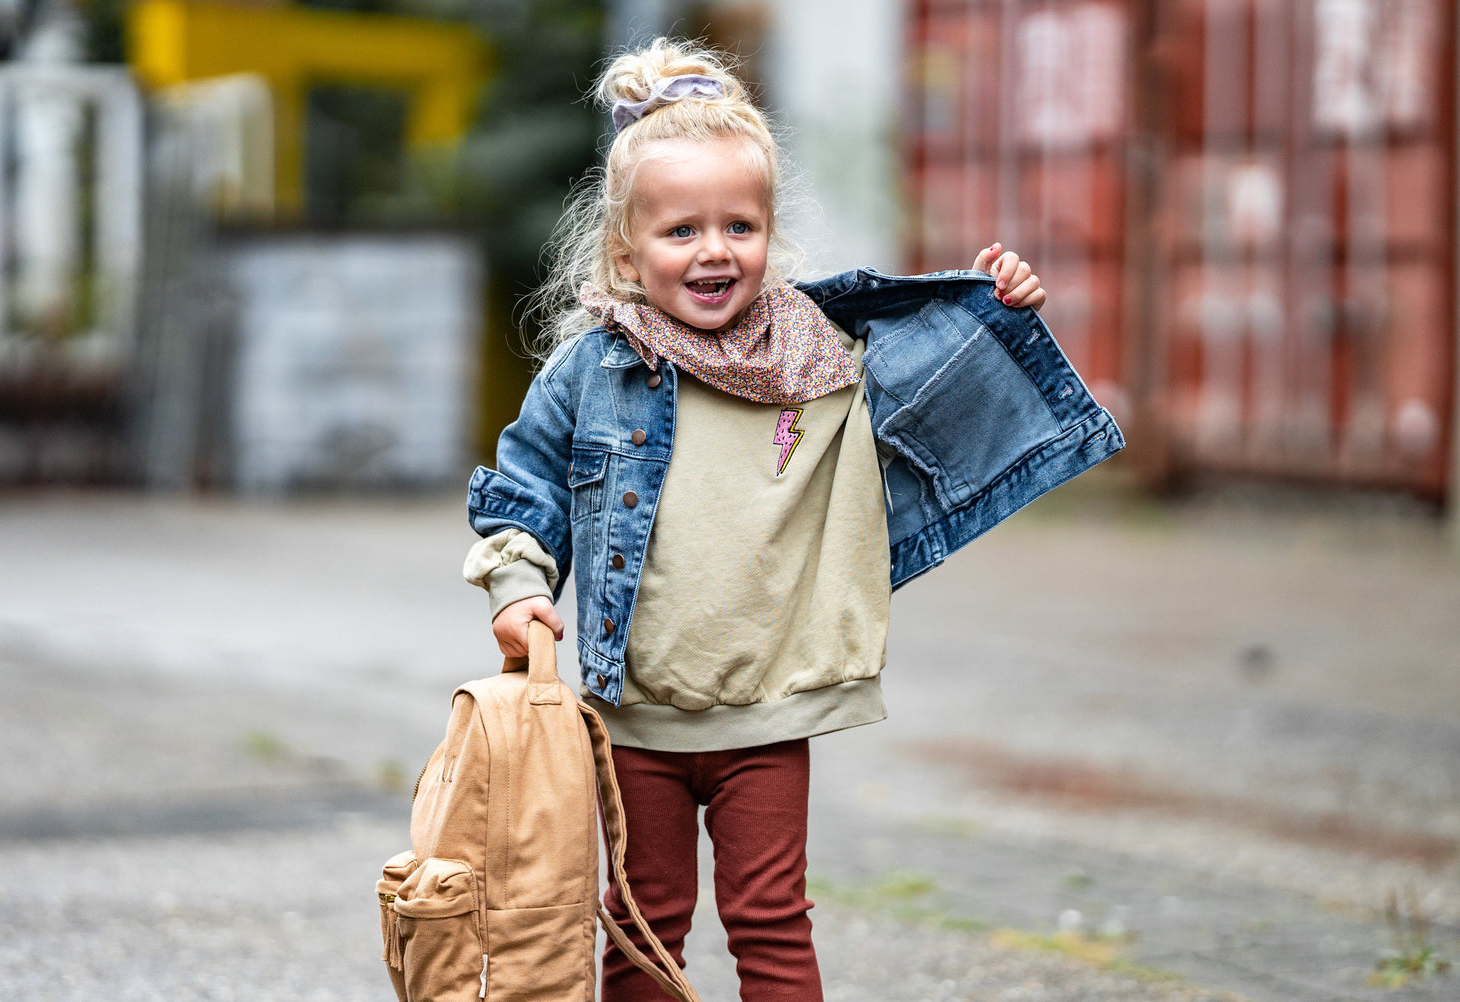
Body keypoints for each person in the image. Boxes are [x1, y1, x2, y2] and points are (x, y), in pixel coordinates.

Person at [463, 38, 1122, 1002]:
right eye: (680, 231)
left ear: (771, 232)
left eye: (740, 225)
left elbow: (950, 381)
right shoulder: (591, 373)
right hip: (632, 713)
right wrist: (520, 595)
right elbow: (524, 490)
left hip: (768, 711)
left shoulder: (821, 360)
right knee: (640, 929)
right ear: (624, 248)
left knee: (771, 922)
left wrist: (1003, 307)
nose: (714, 250)